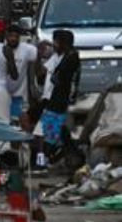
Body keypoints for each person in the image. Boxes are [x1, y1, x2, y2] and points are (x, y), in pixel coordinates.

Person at [34, 30, 80, 162]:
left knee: (46, 136)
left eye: (55, 42)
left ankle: (42, 163)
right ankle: (43, 161)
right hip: (51, 101)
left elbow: (57, 80)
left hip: (58, 103)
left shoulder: (70, 58)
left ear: (63, 43)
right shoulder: (59, 57)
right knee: (43, 135)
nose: (53, 44)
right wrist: (39, 54)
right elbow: (40, 73)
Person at [5, 25, 39, 125]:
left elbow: (35, 64)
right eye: (11, 36)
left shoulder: (28, 49)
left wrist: (32, 85)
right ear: (6, 36)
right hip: (2, 94)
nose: (13, 39)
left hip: (19, 95)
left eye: (16, 36)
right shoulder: (0, 49)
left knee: (18, 125)